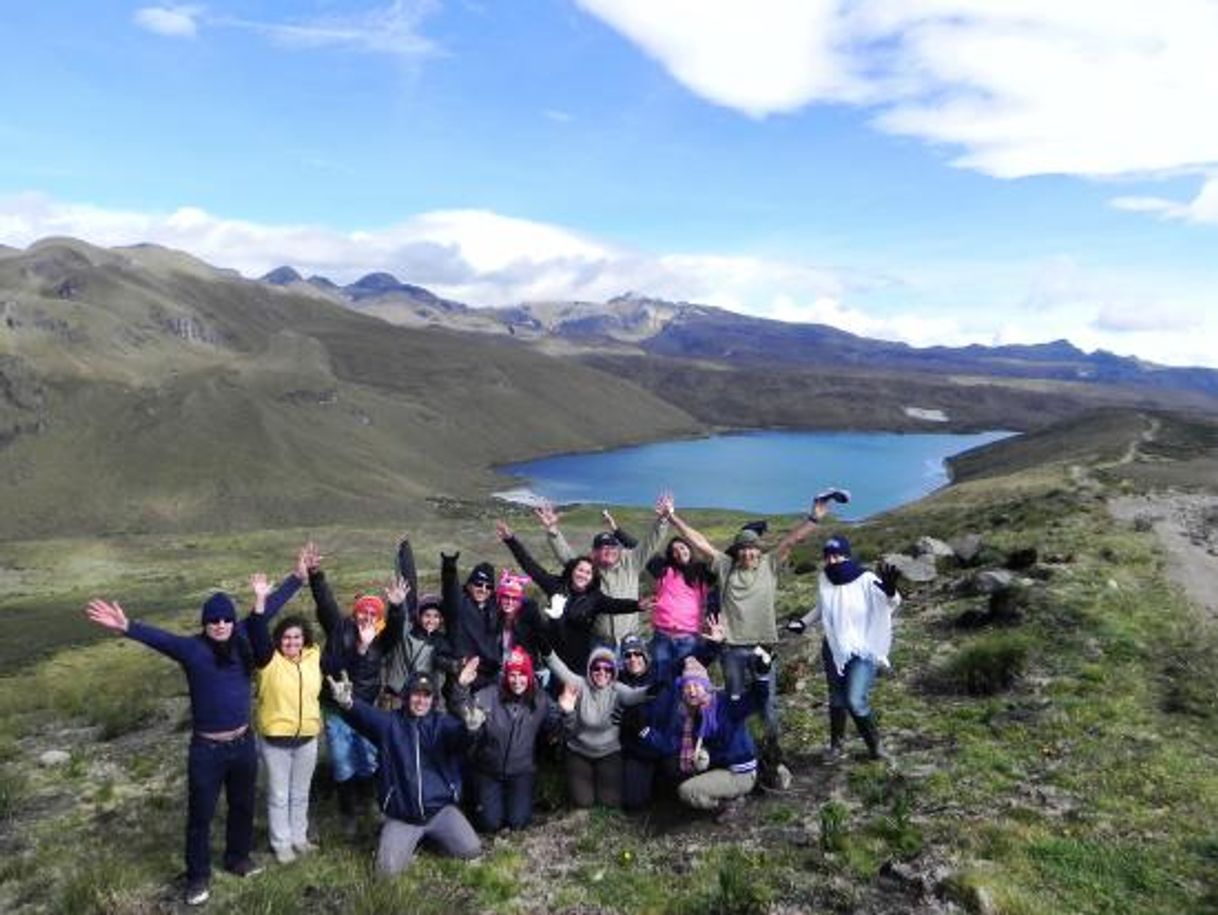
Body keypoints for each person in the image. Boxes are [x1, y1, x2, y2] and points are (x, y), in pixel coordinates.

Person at [84, 551, 305, 907]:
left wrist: (297, 578)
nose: (219, 624)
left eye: (225, 618)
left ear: (233, 621)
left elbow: (271, 605)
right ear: (205, 624)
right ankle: (197, 877)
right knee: (200, 816)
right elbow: (161, 639)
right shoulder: (192, 650)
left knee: (242, 807)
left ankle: (237, 859)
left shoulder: (245, 635)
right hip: (207, 750)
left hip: (243, 743)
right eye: (212, 620)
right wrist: (126, 627)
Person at [665, 497, 829, 788]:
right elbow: (701, 543)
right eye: (744, 549)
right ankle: (741, 757)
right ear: (737, 552)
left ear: (758, 550)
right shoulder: (726, 566)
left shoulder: (769, 565)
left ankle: (773, 757)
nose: (749, 554)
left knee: (766, 705)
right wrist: (674, 518)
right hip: (731, 650)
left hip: (762, 649)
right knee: (736, 705)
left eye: (753, 548)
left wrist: (814, 518)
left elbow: (792, 540)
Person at [326, 668, 481, 876]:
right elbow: (365, 716)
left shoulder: (441, 724)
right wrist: (347, 703)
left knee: (471, 850)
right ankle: (409, 839)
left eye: (426, 695)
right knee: (386, 872)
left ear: (433, 699)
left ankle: (429, 838)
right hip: (403, 817)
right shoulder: (390, 724)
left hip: (440, 811)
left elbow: (459, 738)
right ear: (407, 696)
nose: (421, 700)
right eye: (416, 694)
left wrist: (471, 730)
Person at [305, 542, 405, 837]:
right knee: (341, 760)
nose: (367, 619)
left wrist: (397, 606)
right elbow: (325, 603)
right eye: (363, 614)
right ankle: (348, 812)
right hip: (337, 709)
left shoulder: (382, 639)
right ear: (355, 614)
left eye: (374, 615)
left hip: (365, 708)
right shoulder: (340, 629)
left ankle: (369, 804)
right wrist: (315, 575)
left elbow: (397, 630)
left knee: (368, 757)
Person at [786, 536, 901, 761]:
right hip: (834, 648)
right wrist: (803, 622)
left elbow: (890, 602)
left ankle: (875, 746)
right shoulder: (825, 578)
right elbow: (823, 606)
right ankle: (837, 746)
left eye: (837, 554)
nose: (833, 559)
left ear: (847, 554)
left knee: (855, 700)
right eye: (828, 555)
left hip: (862, 649)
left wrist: (890, 591)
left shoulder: (865, 578)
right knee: (837, 699)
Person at [496, 519, 641, 673]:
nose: (583, 575)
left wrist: (638, 605)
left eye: (588, 573)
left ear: (592, 577)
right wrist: (511, 541)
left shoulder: (595, 597)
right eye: (580, 570)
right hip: (551, 660)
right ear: (572, 570)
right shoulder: (556, 586)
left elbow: (616, 605)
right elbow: (531, 567)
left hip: (579, 664)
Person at [639, 653, 771, 822]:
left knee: (688, 791)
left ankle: (730, 803)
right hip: (718, 768)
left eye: (696, 685)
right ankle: (726, 793)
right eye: (687, 687)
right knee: (675, 772)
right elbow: (669, 744)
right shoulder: (687, 715)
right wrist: (644, 731)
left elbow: (756, 700)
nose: (692, 691)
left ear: (706, 686)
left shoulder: (726, 705)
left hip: (739, 771)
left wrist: (761, 677)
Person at [248, 576, 322, 864]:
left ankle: (299, 839)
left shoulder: (313, 657)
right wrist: (260, 600)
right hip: (276, 741)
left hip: (307, 739)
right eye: (287, 638)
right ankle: (281, 844)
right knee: (279, 795)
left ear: (305, 639)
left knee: (301, 794)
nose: (292, 642)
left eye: (297, 637)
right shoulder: (268, 660)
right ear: (279, 640)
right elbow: (255, 629)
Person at [535, 494, 673, 643]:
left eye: (613, 547)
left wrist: (663, 520)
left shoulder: (632, 563)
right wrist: (553, 530)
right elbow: (566, 555)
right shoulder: (589, 570)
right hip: (599, 640)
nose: (609, 551)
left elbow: (650, 543)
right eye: (603, 548)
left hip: (630, 640)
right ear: (594, 553)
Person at [451, 646, 557, 831]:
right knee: (490, 824)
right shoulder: (489, 695)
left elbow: (554, 727)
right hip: (488, 770)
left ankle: (517, 800)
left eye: (522, 675)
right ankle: (475, 800)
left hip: (521, 771)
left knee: (518, 822)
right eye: (512, 675)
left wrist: (565, 711)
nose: (517, 681)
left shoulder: (540, 700)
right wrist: (461, 688)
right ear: (505, 676)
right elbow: (466, 714)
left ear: (530, 676)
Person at [545, 645, 652, 809]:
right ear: (589, 669)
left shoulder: (618, 689)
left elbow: (635, 695)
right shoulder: (580, 684)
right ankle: (583, 778)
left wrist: (654, 689)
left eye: (608, 669)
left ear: (613, 672)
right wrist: (546, 650)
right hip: (579, 751)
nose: (602, 672)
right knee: (583, 802)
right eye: (597, 667)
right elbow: (560, 669)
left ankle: (599, 778)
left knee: (610, 801)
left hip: (609, 752)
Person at [384, 536, 459, 708]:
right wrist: (405, 553)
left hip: (425, 701)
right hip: (397, 699)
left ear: (441, 620)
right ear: (419, 616)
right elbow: (409, 592)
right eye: (427, 615)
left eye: (436, 616)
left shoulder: (443, 642)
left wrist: (451, 665)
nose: (431, 620)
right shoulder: (407, 631)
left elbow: (443, 661)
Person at [644, 535, 717, 684]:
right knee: (660, 681)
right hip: (662, 637)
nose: (679, 552)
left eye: (682, 547)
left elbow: (721, 562)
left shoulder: (701, 572)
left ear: (689, 549)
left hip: (688, 639)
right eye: (674, 550)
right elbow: (642, 550)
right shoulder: (665, 571)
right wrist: (617, 531)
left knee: (686, 680)